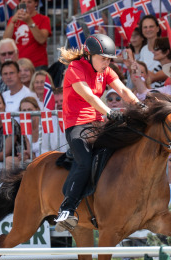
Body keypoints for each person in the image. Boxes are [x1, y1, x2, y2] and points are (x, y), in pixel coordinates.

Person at [54, 34, 140, 230]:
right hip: (77, 125)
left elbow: (124, 91)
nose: (107, 62)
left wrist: (140, 105)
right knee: (84, 162)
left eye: (109, 59)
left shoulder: (106, 70)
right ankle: (67, 209)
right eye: (103, 58)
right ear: (88, 55)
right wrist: (110, 112)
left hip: (97, 123)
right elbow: (90, 97)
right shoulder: (75, 69)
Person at [2, 0, 51, 69]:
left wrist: (29, 22)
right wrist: (12, 21)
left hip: (38, 64)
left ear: (36, 3)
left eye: (29, 2)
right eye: (23, 2)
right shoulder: (13, 19)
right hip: (18, 65)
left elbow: (42, 39)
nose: (26, 5)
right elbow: (5, 41)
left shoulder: (44, 19)